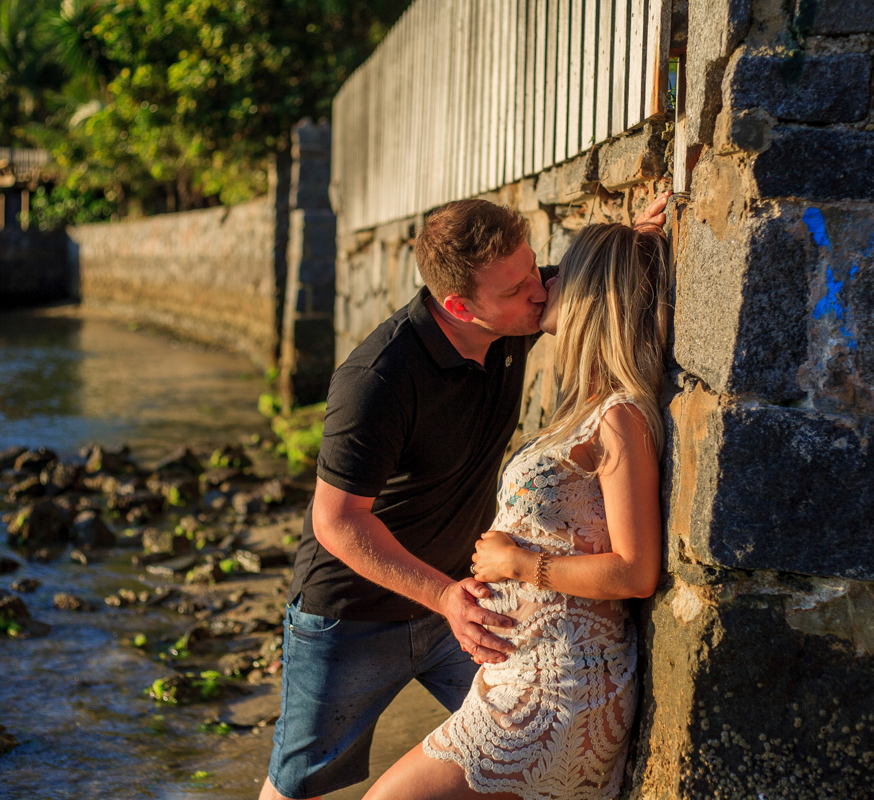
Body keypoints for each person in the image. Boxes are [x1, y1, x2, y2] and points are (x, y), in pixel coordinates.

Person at [259, 194, 668, 800]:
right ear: (460, 307)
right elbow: (337, 522)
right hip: (356, 611)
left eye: (534, 269)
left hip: (475, 606)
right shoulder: (378, 378)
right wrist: (445, 596)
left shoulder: (516, 304)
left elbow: (585, 290)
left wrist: (630, 243)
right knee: (298, 786)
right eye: (518, 287)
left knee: (506, 768)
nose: (538, 289)